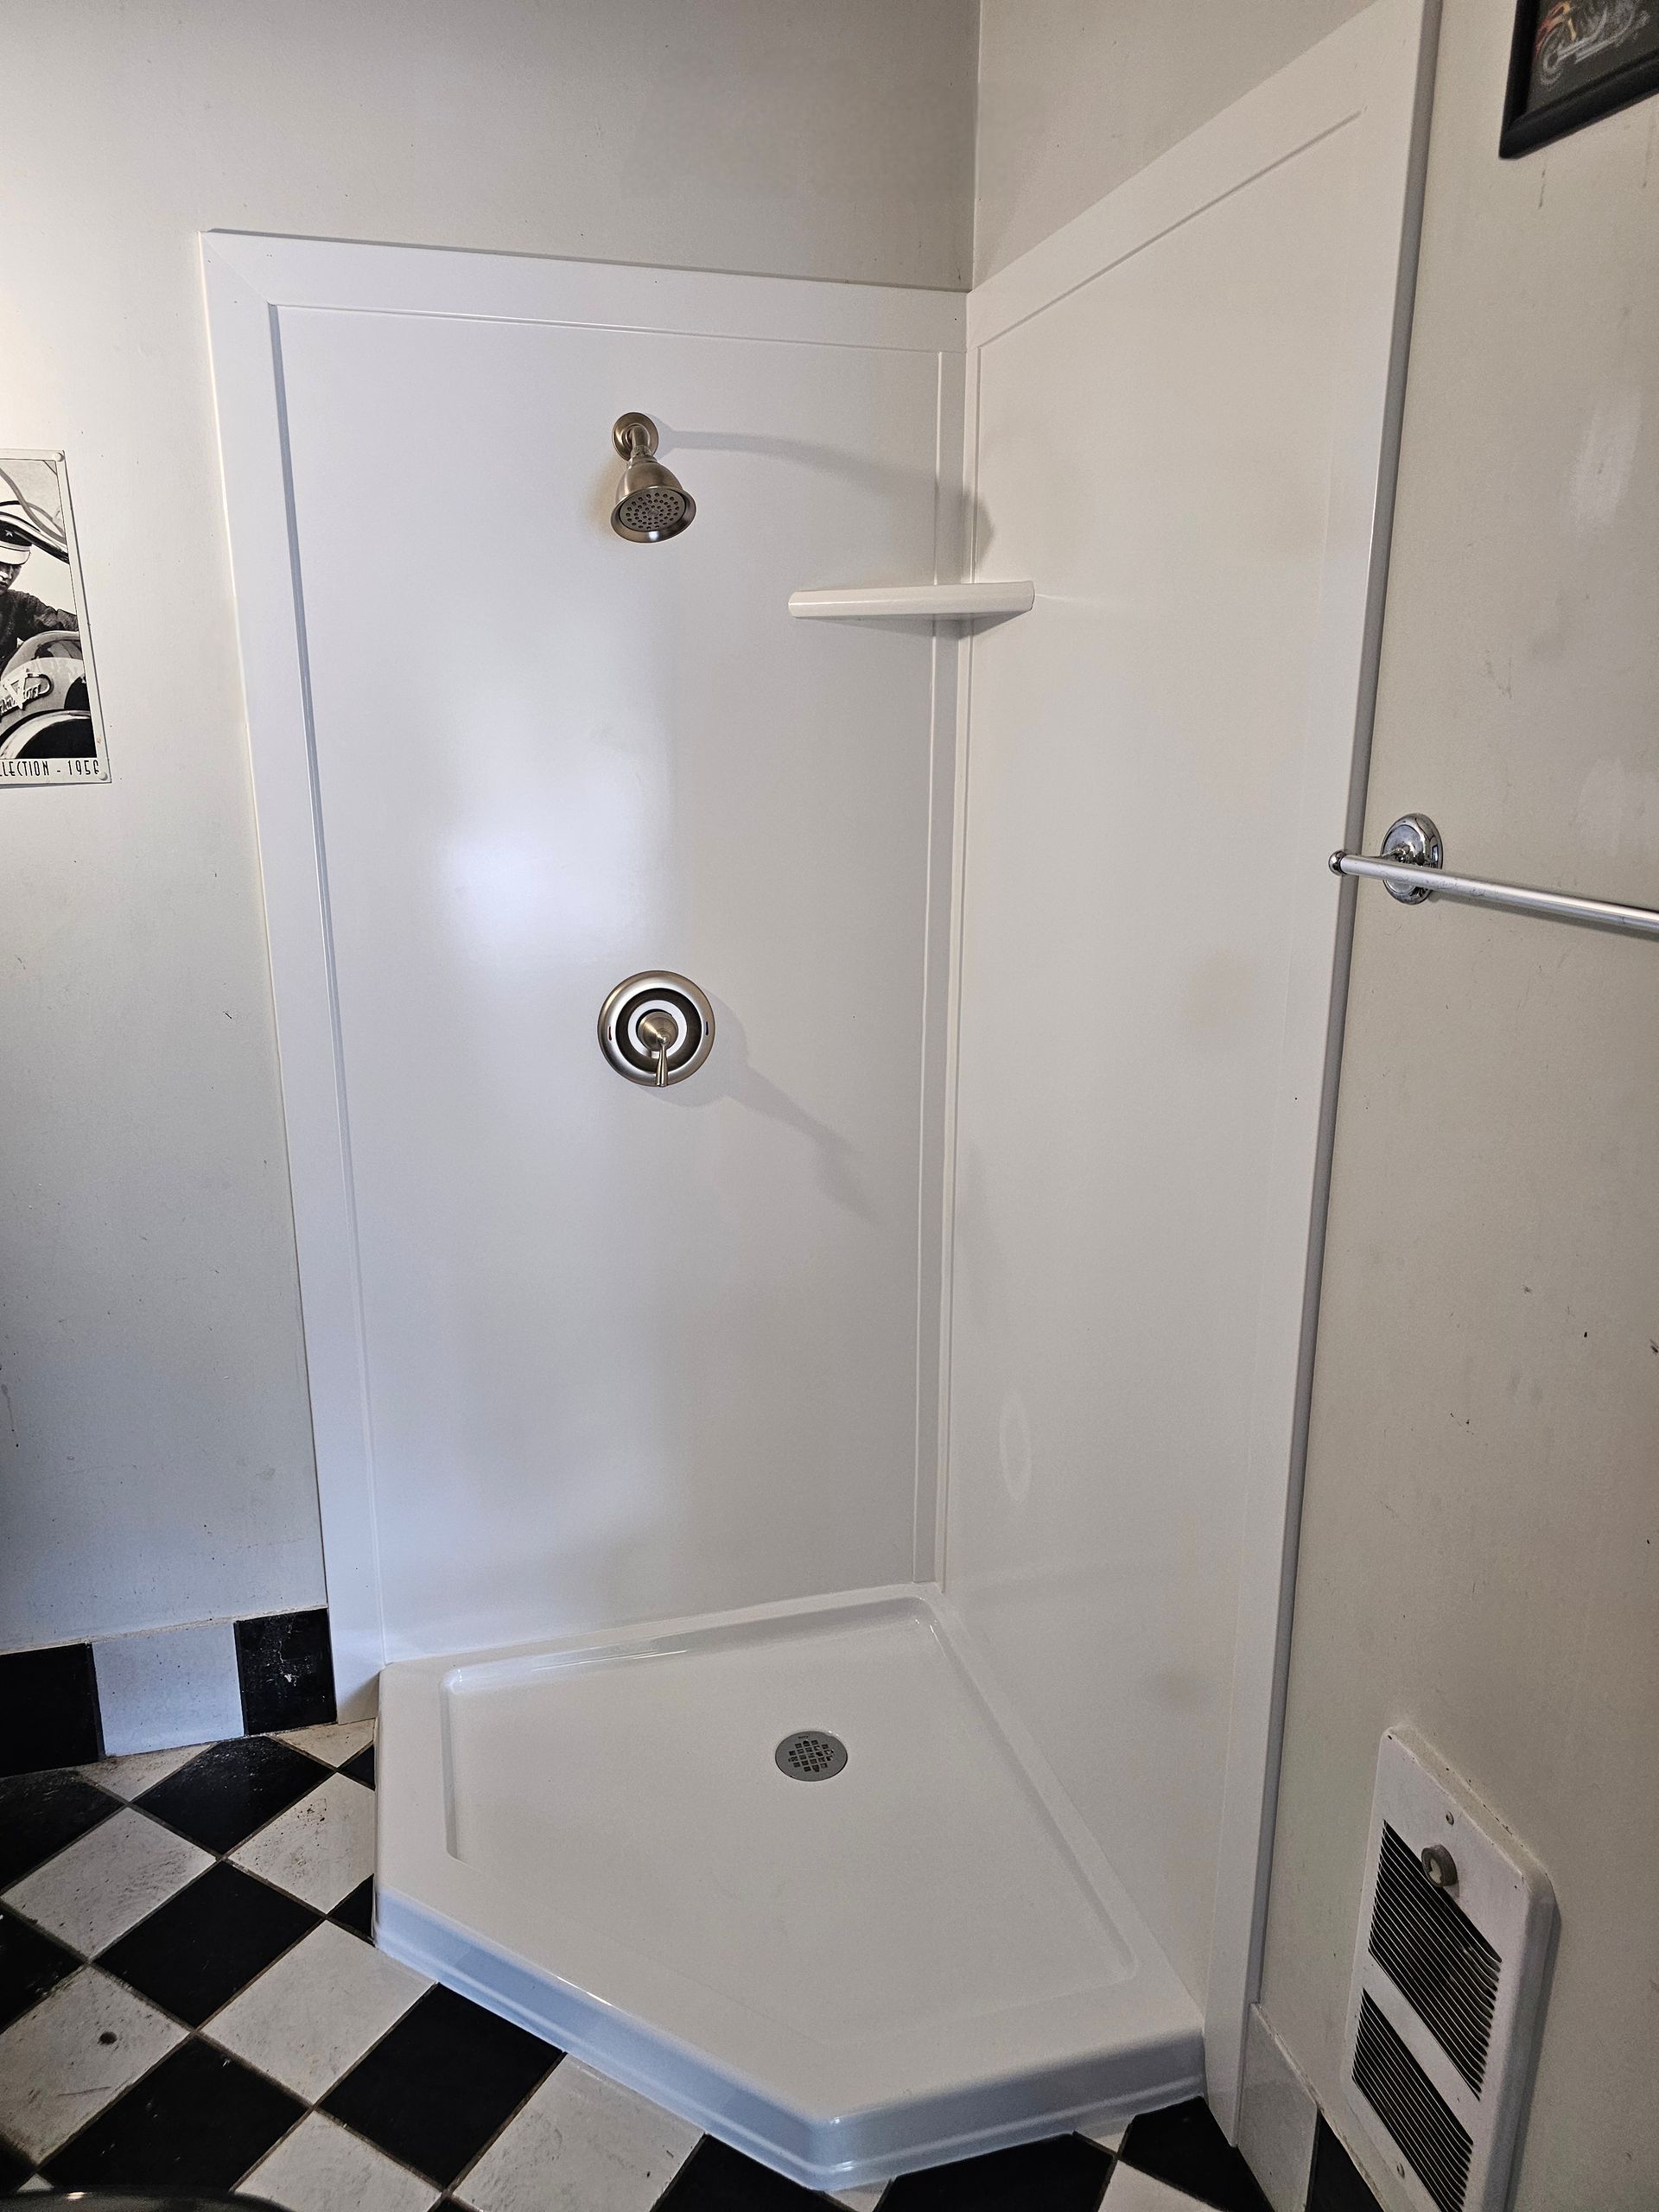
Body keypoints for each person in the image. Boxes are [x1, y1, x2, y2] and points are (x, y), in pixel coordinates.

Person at [0, 508, 78, 670]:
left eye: (15, 567)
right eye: (1, 563)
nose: (7, 575)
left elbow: (66, 626)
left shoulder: (19, 604)